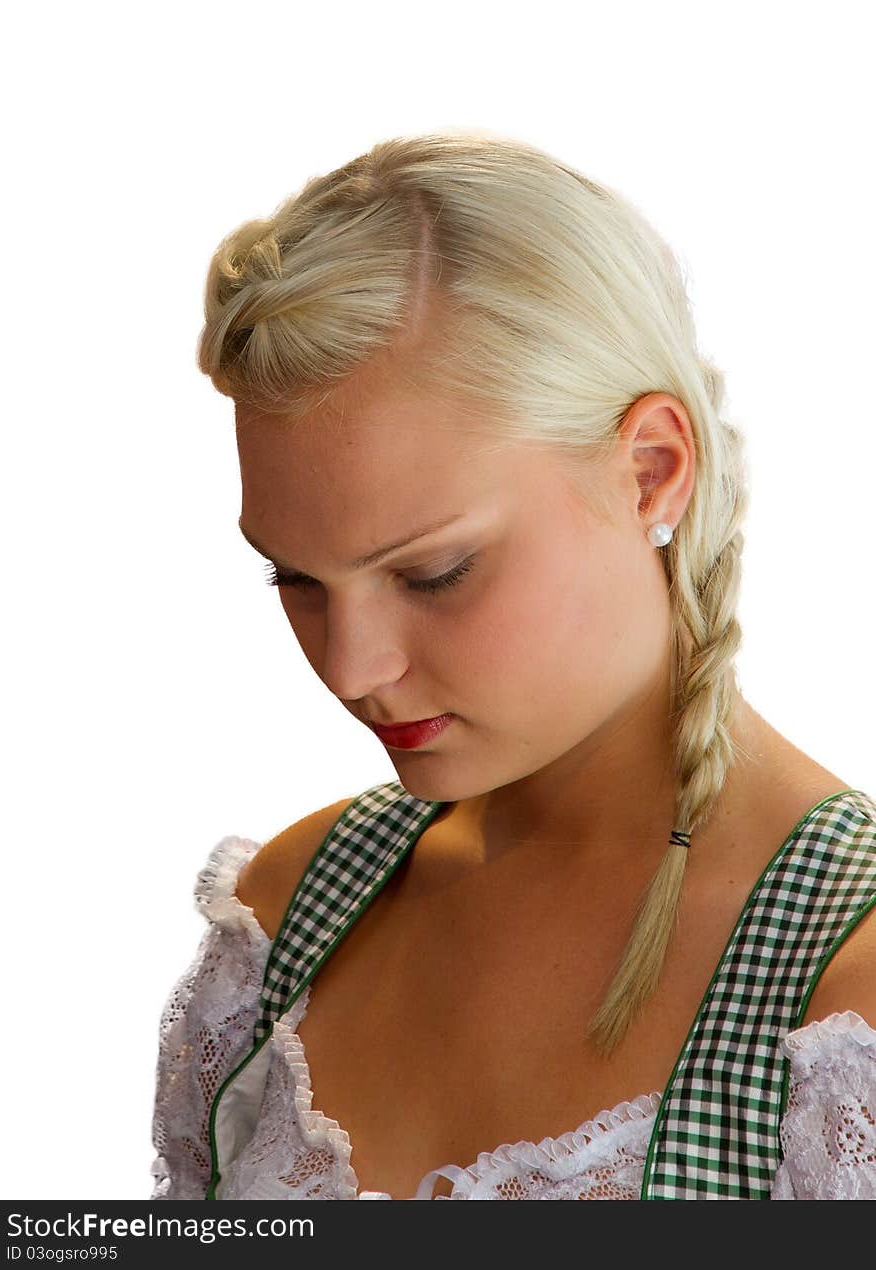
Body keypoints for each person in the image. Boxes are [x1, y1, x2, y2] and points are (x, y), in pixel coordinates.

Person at [150, 131, 876, 1201]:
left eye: (434, 572)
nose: (352, 666)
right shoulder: (288, 927)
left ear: (651, 472)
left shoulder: (843, 1000)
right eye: (294, 580)